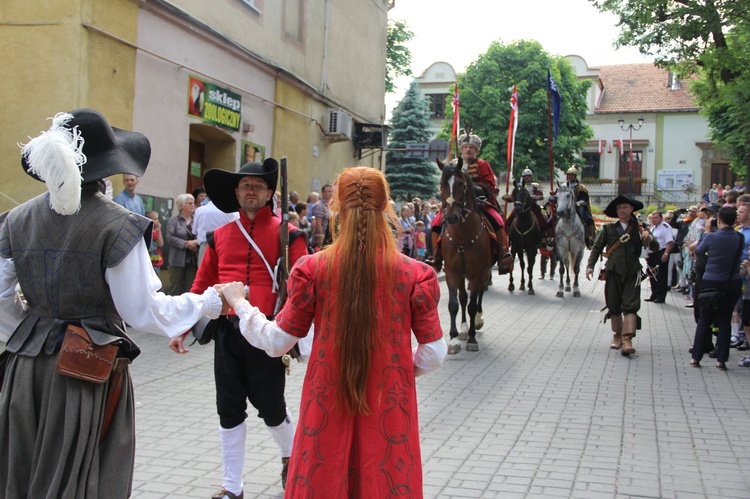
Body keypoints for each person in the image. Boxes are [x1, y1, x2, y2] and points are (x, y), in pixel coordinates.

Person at [0, 108, 222, 498]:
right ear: (105, 168)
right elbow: (142, 310)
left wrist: (32, 331)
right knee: (82, 479)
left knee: (19, 472)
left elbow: (1, 299)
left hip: (23, 370)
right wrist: (206, 303)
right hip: (84, 372)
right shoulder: (117, 224)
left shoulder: (16, 219)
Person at [219, 166, 447, 497]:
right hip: (389, 405)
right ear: (387, 209)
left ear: (335, 208)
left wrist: (240, 303)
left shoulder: (312, 269)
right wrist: (396, 369)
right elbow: (435, 353)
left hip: (325, 402)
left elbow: (276, 342)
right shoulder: (416, 274)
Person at [168, 159, 308, 498]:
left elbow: (304, 286)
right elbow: (202, 284)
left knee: (271, 406)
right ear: (236, 192)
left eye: (257, 186)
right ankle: (232, 487)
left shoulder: (289, 234)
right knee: (228, 407)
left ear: (269, 193)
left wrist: (292, 331)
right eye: (245, 185)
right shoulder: (220, 236)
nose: (250, 190)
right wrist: (182, 327)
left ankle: (293, 456)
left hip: (266, 331)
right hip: (227, 331)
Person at [585, 195, 659, 355]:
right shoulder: (608, 229)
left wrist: (648, 236)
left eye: (625, 207)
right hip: (613, 271)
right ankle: (617, 336)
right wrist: (590, 266)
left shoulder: (640, 228)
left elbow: (655, 246)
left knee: (631, 305)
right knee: (613, 305)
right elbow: (597, 248)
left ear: (631, 209)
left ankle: (627, 340)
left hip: (633, 271)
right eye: (619, 208)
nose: (622, 210)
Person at [430, 131, 510, 274]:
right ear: (461, 149)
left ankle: (503, 252)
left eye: (471, 147)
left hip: (479, 203)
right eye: (466, 147)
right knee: (435, 222)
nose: (468, 149)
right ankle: (435, 256)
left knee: (498, 220)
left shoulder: (483, 164)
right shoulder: (451, 165)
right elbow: (444, 184)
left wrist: (474, 189)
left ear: (476, 150)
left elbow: (489, 185)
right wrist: (443, 194)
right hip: (454, 203)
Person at [690, 206, 744, 369]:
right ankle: (721, 360)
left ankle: (696, 358)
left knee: (704, 319)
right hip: (732, 281)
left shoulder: (711, 236)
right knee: (724, 320)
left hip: (711, 280)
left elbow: (698, 250)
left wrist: (707, 231)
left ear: (718, 220)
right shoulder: (739, 238)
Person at [166, 193, 199, 295]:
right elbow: (170, 238)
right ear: (181, 206)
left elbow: (202, 234)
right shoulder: (173, 221)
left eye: (193, 203)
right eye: (190, 203)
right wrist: (186, 244)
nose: (193, 205)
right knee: (175, 288)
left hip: (193, 259)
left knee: (191, 288)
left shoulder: (197, 220)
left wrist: (196, 243)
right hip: (177, 259)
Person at [193, 197, 238, 266]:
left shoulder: (200, 210)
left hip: (205, 245)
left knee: (204, 272)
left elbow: (194, 231)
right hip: (225, 245)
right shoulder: (232, 212)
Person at [562, 165, 596, 248]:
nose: (570, 177)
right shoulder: (563, 187)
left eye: (572, 175)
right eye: (569, 175)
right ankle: (551, 237)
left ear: (575, 176)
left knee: (589, 219)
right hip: (564, 207)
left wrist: (577, 204)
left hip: (578, 207)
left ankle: (590, 237)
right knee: (554, 219)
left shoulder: (581, 187)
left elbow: (584, 199)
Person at [644, 211, 675, 304]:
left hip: (660, 253)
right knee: (652, 275)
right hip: (652, 254)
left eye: (656, 218)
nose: (654, 219)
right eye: (652, 218)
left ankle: (660, 296)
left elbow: (669, 242)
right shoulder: (653, 228)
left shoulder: (665, 227)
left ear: (661, 218)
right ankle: (654, 294)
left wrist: (666, 254)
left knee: (661, 275)